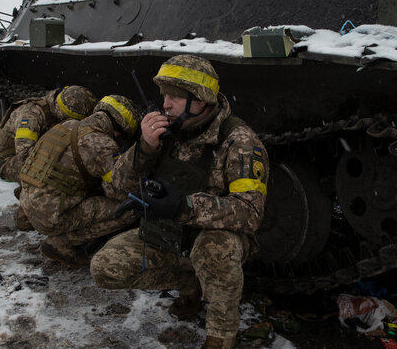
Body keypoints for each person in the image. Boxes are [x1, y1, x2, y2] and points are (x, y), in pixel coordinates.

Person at [90, 54, 269, 349]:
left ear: (200, 99)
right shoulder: (166, 131)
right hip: (169, 237)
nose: (165, 104)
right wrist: (144, 148)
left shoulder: (239, 141)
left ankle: (222, 334)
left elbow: (250, 213)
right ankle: (191, 285)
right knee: (106, 268)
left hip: (211, 241)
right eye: (164, 96)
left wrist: (184, 206)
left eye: (174, 96)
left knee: (216, 248)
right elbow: (119, 186)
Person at [18, 94, 142, 267]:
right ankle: (61, 243)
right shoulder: (102, 144)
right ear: (118, 130)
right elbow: (118, 193)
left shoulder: (66, 125)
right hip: (50, 216)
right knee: (128, 210)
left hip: (28, 202)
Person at [0, 85, 98, 231]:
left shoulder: (55, 106)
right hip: (9, 159)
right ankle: (29, 206)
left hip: (32, 153)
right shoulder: (31, 115)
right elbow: (25, 156)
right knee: (55, 174)